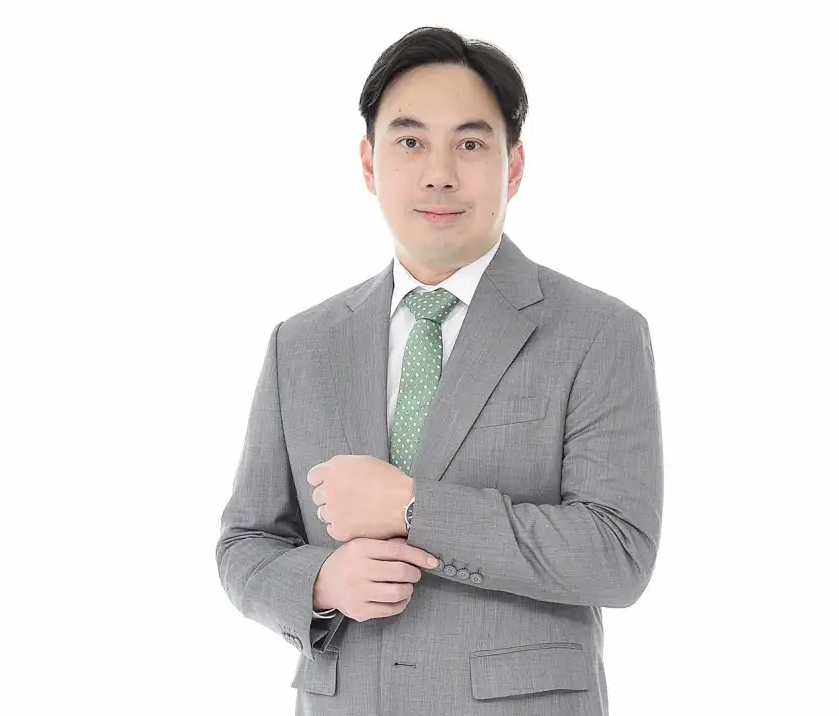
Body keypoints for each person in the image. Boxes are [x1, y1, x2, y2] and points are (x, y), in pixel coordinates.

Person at [215, 26, 663, 716]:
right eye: (410, 141)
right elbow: (245, 544)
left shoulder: (598, 332)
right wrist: (321, 581)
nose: (439, 173)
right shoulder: (300, 345)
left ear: (514, 166)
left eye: (471, 144)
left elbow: (618, 555)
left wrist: (415, 509)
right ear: (369, 163)